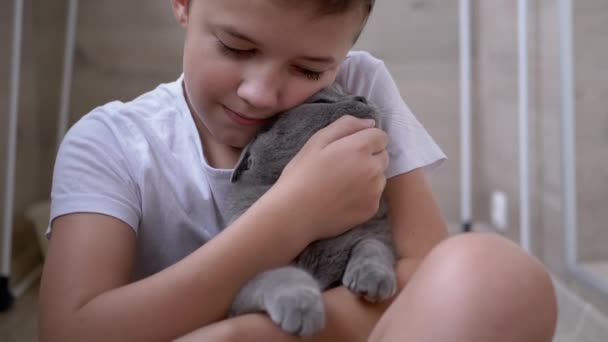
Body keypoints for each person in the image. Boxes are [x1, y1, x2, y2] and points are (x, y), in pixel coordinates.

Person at [39, 0, 558, 341]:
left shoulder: (358, 87)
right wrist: (291, 215)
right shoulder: (111, 142)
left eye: (310, 69)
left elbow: (422, 271)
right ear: (183, 3)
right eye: (236, 48)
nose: (260, 93)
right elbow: (71, 332)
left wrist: (247, 335)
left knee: (498, 274)